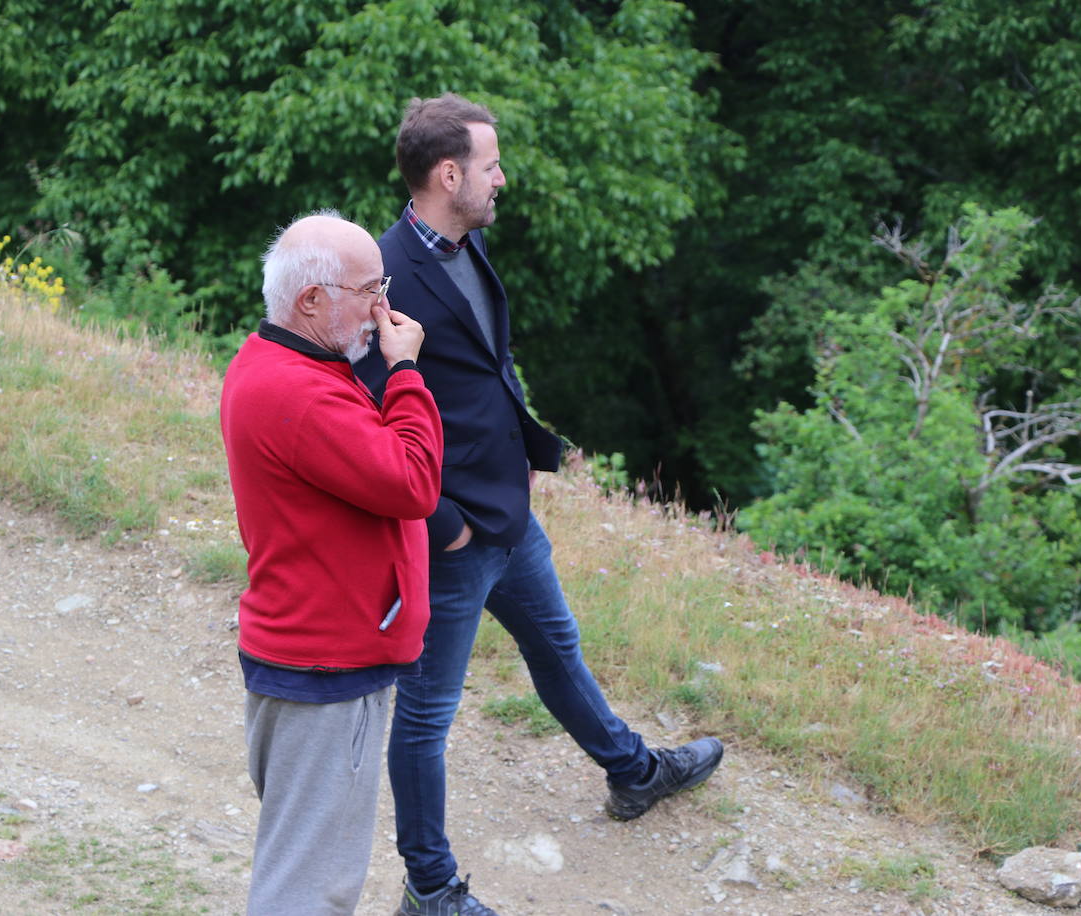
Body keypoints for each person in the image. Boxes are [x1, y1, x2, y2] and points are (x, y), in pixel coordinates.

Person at [355, 94, 725, 916]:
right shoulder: (385, 276)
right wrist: (441, 525)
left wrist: (524, 452)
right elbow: (370, 422)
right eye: (491, 165)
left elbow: (493, 359)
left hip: (509, 517)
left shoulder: (463, 246)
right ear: (448, 173)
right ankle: (428, 889)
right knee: (424, 719)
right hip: (452, 538)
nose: (502, 179)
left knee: (557, 645)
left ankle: (632, 774)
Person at [220, 211, 442, 915]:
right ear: (312, 301)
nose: (383, 309)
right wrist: (405, 370)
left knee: (300, 862)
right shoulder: (301, 392)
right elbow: (413, 483)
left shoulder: (281, 365)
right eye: (370, 290)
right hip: (327, 668)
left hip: (306, 653)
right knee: (310, 888)